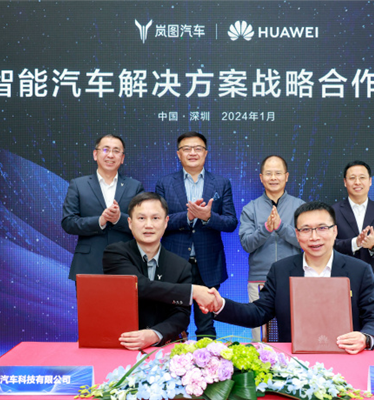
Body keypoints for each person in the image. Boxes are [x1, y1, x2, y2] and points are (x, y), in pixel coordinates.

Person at [209, 201, 374, 354]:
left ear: (335, 231)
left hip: (346, 357)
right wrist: (220, 305)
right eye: (306, 230)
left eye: (322, 228)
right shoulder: (281, 270)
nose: (314, 237)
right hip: (294, 363)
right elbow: (257, 313)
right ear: (297, 234)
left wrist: (365, 338)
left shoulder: (359, 270)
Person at [102, 192, 219, 350]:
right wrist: (192, 291)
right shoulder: (115, 253)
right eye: (141, 218)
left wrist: (154, 334)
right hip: (121, 344)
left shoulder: (181, 266)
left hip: (163, 347)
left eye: (155, 218)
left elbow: (181, 316)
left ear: (165, 222)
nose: (148, 225)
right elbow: (138, 286)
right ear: (130, 223)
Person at [155, 131, 238, 339]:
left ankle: (207, 358)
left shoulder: (221, 183)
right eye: (187, 149)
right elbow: (158, 221)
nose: (192, 153)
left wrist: (209, 217)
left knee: (206, 324)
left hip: (209, 263)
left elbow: (230, 222)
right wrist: (188, 216)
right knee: (173, 322)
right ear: (178, 154)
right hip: (174, 263)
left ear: (205, 153)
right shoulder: (164, 183)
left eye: (198, 148)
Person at [61, 134, 144, 286]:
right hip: (87, 265)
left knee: (124, 303)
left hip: (125, 264)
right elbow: (68, 222)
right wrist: (100, 221)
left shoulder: (135, 186)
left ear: (122, 158)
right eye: (105, 150)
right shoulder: (78, 185)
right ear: (95, 154)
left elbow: (142, 224)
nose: (110, 155)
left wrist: (119, 219)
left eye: (116, 151)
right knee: (90, 303)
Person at [239, 155, 305, 341]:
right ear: (261, 178)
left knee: (295, 334)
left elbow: (306, 241)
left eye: (278, 173)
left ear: (286, 176)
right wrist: (266, 228)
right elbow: (247, 244)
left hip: (293, 278)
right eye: (269, 174)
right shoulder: (250, 209)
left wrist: (281, 227)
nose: (273, 178)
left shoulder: (300, 207)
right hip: (259, 280)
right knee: (260, 337)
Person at [332, 161, 374, 314]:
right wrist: (354, 243)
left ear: (370, 181)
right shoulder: (332, 212)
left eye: (362, 177)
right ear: (345, 182)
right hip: (342, 286)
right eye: (352, 178)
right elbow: (327, 246)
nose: (357, 182)